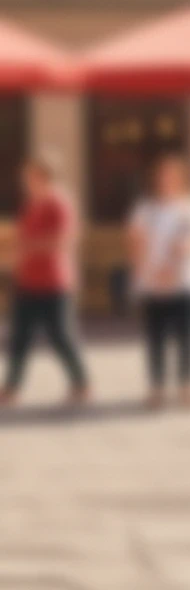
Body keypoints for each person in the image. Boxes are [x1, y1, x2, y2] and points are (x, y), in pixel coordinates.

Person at [0, 151, 90, 407]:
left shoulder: (59, 202)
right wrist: (12, 256)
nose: (25, 179)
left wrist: (28, 247)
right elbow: (21, 239)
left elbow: (64, 241)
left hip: (54, 282)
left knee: (61, 335)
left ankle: (81, 383)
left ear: (43, 175)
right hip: (27, 281)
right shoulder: (31, 204)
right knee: (19, 337)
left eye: (30, 174)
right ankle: (11, 388)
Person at [127, 153, 190, 408]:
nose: (167, 180)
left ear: (182, 178)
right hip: (153, 282)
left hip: (185, 281)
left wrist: (188, 247)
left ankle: (188, 385)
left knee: (187, 336)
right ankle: (157, 387)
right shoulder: (145, 209)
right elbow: (135, 243)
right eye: (162, 175)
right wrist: (145, 271)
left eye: (172, 175)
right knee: (155, 337)